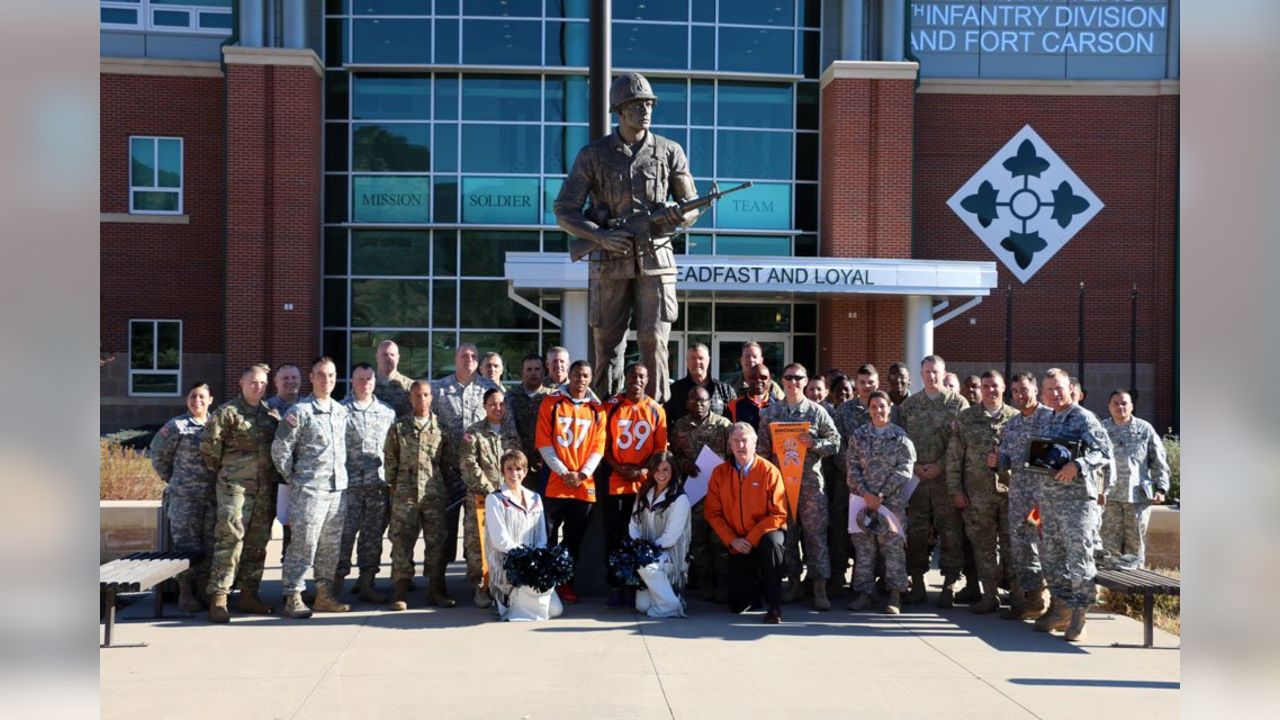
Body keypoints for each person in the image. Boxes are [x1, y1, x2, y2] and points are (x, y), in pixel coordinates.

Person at [554, 71, 700, 404]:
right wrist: (601, 236)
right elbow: (564, 209)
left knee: (654, 341)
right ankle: (603, 416)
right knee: (607, 344)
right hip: (609, 259)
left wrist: (679, 216)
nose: (645, 110)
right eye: (637, 105)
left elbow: (692, 204)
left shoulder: (669, 151)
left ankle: (655, 418)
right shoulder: (593, 154)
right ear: (620, 110)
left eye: (648, 104)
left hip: (656, 256)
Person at [1033, 368, 1113, 641]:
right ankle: (1061, 608)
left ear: (1070, 388)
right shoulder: (1046, 418)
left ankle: (1080, 615)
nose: (1055, 394)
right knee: (1051, 558)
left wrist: (1077, 465)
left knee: (1079, 559)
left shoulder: (1083, 418)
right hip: (1050, 501)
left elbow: (1104, 452)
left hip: (1077, 503)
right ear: (1042, 393)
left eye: (1059, 388)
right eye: (1049, 390)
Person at [200, 364, 282, 623]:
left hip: (264, 489)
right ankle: (219, 597)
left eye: (262, 383)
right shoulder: (227, 413)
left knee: (257, 543)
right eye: (253, 382)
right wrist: (227, 472)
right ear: (242, 383)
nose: (258, 386)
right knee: (230, 539)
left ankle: (249, 594)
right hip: (235, 487)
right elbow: (209, 448)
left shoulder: (271, 414)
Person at [272, 356, 352, 618]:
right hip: (309, 491)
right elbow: (280, 447)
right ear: (311, 377)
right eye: (321, 375)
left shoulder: (340, 411)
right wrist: (293, 478)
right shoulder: (300, 412)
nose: (326, 380)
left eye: (331, 375)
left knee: (330, 547)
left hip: (337, 490)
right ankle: (292, 595)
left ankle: (324, 596)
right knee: (304, 544)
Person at [756, 363, 840, 610]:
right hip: (781, 486)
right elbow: (761, 452)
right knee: (788, 537)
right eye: (789, 377)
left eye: (798, 378)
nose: (793, 382)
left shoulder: (817, 412)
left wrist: (814, 443)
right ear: (781, 381)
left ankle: (819, 587)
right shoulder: (770, 414)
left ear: (806, 381)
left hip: (811, 487)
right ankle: (793, 583)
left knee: (815, 537)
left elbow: (835, 443)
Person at [898, 354, 970, 607]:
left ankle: (949, 584)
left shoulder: (958, 404)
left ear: (943, 372)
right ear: (921, 374)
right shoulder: (910, 406)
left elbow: (961, 443)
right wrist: (915, 466)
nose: (931, 376)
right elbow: (900, 440)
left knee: (950, 532)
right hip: (916, 482)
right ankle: (917, 583)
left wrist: (939, 466)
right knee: (916, 533)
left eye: (935, 372)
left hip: (945, 481)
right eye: (927, 372)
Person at [536, 360, 608, 604]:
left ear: (590, 378)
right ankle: (545, 582)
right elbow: (544, 442)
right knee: (547, 536)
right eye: (577, 374)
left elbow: (598, 448)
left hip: (582, 486)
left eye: (586, 375)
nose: (581, 379)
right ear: (570, 376)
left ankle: (565, 580)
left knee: (574, 540)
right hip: (554, 483)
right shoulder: (551, 403)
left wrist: (581, 474)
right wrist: (564, 471)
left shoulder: (598, 410)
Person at [947, 370, 1018, 614]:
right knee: (984, 547)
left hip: (1011, 496)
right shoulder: (966, 419)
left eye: (995, 386)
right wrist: (955, 490)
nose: (990, 390)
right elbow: (954, 458)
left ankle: (1017, 597)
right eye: (986, 386)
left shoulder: (1015, 418)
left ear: (1004, 387)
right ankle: (989, 595)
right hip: (977, 495)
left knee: (1012, 547)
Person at [705, 423, 789, 624]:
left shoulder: (769, 471)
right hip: (737, 541)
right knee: (737, 605)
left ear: (755, 443)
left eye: (745, 440)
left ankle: (774, 606)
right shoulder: (719, 473)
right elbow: (712, 513)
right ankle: (756, 589)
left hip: (763, 535)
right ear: (729, 445)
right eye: (735, 441)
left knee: (772, 543)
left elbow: (779, 514)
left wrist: (751, 539)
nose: (740, 445)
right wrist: (732, 540)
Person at [602, 363, 669, 607]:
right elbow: (603, 445)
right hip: (616, 481)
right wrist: (619, 468)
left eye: (641, 376)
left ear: (647, 379)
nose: (636, 380)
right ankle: (617, 585)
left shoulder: (655, 410)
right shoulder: (611, 406)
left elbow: (660, 450)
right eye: (632, 375)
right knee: (615, 537)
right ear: (626, 378)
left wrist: (644, 471)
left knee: (640, 537)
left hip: (644, 483)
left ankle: (637, 585)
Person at [846, 391, 916, 614]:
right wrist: (866, 494)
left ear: (890, 408)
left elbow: (905, 470)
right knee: (864, 549)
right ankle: (864, 593)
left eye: (882, 406)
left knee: (893, 548)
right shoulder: (859, 436)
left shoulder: (900, 437)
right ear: (868, 409)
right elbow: (852, 467)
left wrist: (882, 494)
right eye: (873, 406)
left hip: (891, 502)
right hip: (862, 501)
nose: (878, 411)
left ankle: (895, 595)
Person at [383, 380, 451, 610]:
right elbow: (390, 459)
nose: (422, 399)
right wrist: (394, 485)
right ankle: (400, 590)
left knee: (437, 542)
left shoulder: (441, 429)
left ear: (431, 398)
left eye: (425, 395)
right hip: (405, 494)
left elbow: (447, 462)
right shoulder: (399, 427)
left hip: (433, 494)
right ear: (410, 399)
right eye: (417, 395)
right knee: (402, 541)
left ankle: (435, 589)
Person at [433, 344, 502, 569]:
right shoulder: (439, 389)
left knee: (478, 532)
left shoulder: (490, 388)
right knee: (444, 530)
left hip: (480, 473)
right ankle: (438, 584)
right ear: (455, 359)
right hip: (448, 472)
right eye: (464, 356)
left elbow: (501, 425)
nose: (469, 359)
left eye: (473, 356)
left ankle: (477, 580)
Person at [150, 381, 217, 612]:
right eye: (193, 396)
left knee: (209, 545)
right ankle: (185, 594)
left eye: (201, 397)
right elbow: (158, 454)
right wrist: (172, 478)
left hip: (211, 498)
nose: (197, 401)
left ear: (210, 400)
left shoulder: (216, 425)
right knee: (185, 547)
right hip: (185, 498)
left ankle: (203, 590)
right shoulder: (177, 426)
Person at [337, 362, 397, 604]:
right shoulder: (340, 410)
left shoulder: (387, 412)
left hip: (377, 486)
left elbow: (392, 450)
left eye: (369, 379)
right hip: (349, 486)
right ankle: (335, 584)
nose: (365, 383)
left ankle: (367, 582)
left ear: (374, 381)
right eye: (360, 379)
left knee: (372, 536)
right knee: (344, 536)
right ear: (352, 382)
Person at [996, 371, 1053, 620]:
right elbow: (1005, 458)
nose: (1020, 395)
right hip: (1019, 494)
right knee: (1021, 547)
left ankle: (1057, 603)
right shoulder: (1012, 424)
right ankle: (1033, 598)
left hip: (1045, 497)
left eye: (1024, 390)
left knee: (1046, 546)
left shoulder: (1050, 419)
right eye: (1016, 391)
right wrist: (995, 462)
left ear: (1036, 389)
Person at [459, 387, 521, 608]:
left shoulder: (511, 433)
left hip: (507, 500)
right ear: (485, 406)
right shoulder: (473, 432)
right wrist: (491, 491)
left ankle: (503, 586)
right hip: (482, 499)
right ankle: (481, 587)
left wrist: (509, 490)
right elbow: (468, 465)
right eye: (493, 404)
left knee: (505, 542)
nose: (498, 408)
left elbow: (518, 463)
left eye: (501, 404)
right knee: (479, 545)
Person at [670, 386, 732, 601]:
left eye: (704, 400)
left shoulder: (724, 425)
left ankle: (723, 584)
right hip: (693, 494)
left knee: (720, 540)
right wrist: (683, 463)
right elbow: (673, 457)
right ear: (687, 402)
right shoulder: (679, 426)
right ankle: (705, 584)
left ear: (711, 403)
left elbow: (735, 457)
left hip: (720, 495)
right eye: (694, 400)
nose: (699, 404)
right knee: (698, 541)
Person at [485, 450, 563, 621]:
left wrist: (537, 560)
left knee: (555, 610)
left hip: (533, 565)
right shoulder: (495, 499)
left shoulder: (535, 498)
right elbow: (500, 540)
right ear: (502, 471)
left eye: (519, 469)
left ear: (525, 472)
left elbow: (542, 534)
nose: (514, 474)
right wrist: (524, 558)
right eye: (509, 469)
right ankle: (505, 600)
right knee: (518, 614)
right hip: (509, 567)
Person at [1100, 390, 1170, 567]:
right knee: (1109, 548)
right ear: (1109, 407)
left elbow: (1158, 460)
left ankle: (1134, 593)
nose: (1120, 407)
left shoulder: (1144, 429)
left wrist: (1161, 489)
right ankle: (1111, 592)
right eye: (1115, 403)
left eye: (1124, 403)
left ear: (1132, 406)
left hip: (1138, 497)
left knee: (1135, 547)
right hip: (1109, 498)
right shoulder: (1101, 430)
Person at [629, 451, 692, 618]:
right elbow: (633, 524)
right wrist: (638, 546)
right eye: (657, 470)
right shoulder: (645, 492)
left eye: (666, 470)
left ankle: (671, 605)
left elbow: (671, 537)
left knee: (646, 565)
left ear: (673, 471)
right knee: (642, 606)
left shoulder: (679, 498)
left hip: (668, 554)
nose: (661, 474)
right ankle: (674, 598)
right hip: (648, 551)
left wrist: (648, 552)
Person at [266, 364, 301, 562]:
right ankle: (248, 589)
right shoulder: (266, 408)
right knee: (258, 537)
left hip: (296, 482)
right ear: (276, 382)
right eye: (285, 378)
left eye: (294, 377)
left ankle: (290, 589)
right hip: (269, 481)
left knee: (294, 539)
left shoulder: (306, 407)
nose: (290, 382)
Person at [664, 343, 736, 423]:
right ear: (687, 362)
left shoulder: (725, 390)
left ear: (708, 360)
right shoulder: (675, 390)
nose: (697, 362)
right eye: (693, 358)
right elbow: (666, 422)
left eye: (701, 358)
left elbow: (734, 422)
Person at [506, 353, 552, 480]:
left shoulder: (552, 397)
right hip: (517, 464)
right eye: (529, 369)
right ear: (522, 372)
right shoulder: (510, 396)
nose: (533, 373)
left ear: (544, 372)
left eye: (537, 369)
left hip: (547, 462)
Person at [374, 340, 414, 418]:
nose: (389, 358)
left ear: (398, 358)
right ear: (377, 357)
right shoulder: (367, 384)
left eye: (392, 355)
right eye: (385, 355)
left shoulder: (409, 386)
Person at [727, 365, 773, 430]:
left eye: (763, 377)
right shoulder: (733, 406)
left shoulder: (779, 405)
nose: (758, 380)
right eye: (753, 378)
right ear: (747, 380)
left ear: (769, 379)